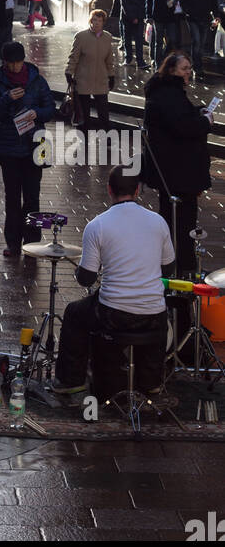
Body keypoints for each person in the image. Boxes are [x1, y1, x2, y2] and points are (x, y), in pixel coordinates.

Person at [53, 167, 174, 397]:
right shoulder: (158, 222)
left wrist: (81, 271)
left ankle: (71, 380)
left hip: (113, 315)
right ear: (137, 190)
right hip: (154, 315)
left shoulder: (97, 225)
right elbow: (169, 268)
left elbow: (86, 278)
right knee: (153, 309)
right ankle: (151, 382)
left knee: (74, 312)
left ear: (109, 190)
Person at [141, 51, 212, 273]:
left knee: (175, 220)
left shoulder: (167, 91)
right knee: (182, 224)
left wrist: (198, 112)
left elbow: (181, 117)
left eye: (190, 68)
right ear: (172, 70)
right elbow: (183, 126)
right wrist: (205, 122)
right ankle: (181, 267)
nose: (188, 72)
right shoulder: (168, 94)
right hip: (178, 172)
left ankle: (175, 264)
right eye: (184, 69)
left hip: (173, 171)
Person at [0, 40, 56, 258]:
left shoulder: (37, 81)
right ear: (6, 63)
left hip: (35, 146)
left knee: (33, 197)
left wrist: (37, 113)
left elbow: (50, 108)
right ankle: (13, 243)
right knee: (13, 197)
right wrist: (7, 99)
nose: (16, 67)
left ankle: (33, 242)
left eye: (19, 62)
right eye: (12, 63)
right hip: (9, 149)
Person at [65, 9, 115, 136]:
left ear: (103, 22)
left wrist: (111, 75)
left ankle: (106, 136)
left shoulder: (108, 37)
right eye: (94, 20)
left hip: (101, 79)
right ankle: (84, 136)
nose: (96, 23)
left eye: (99, 20)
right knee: (84, 112)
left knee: (103, 112)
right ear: (90, 21)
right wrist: (69, 72)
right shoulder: (81, 36)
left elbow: (109, 60)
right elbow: (73, 57)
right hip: (83, 79)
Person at [179, 0, 219, 78]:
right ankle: (197, 67)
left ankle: (197, 64)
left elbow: (214, 3)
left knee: (201, 43)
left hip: (205, 19)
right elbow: (182, 1)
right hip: (192, 19)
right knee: (196, 41)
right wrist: (187, 11)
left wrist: (216, 16)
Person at [145, 0, 178, 68]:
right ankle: (158, 64)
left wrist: (172, 1)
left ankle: (165, 59)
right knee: (158, 41)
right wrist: (148, 16)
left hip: (170, 15)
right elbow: (149, 0)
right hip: (158, 15)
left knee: (172, 39)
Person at [119, 0, 150, 70]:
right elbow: (124, 2)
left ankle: (140, 61)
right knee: (127, 38)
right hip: (128, 17)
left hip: (140, 16)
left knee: (139, 39)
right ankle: (128, 58)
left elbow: (147, 0)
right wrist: (132, 17)